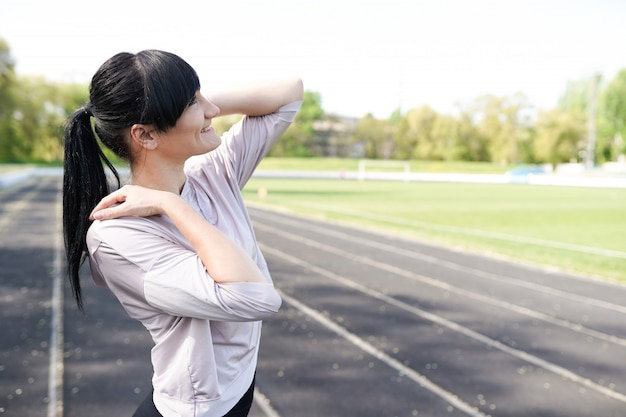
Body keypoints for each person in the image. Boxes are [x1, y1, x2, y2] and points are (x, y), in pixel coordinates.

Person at [62, 49, 303, 417]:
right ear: (145, 135)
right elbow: (256, 300)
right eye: (193, 102)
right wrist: (173, 205)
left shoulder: (214, 172)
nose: (211, 111)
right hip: (197, 408)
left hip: (237, 386)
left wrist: (192, 101)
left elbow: (290, 93)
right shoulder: (115, 238)